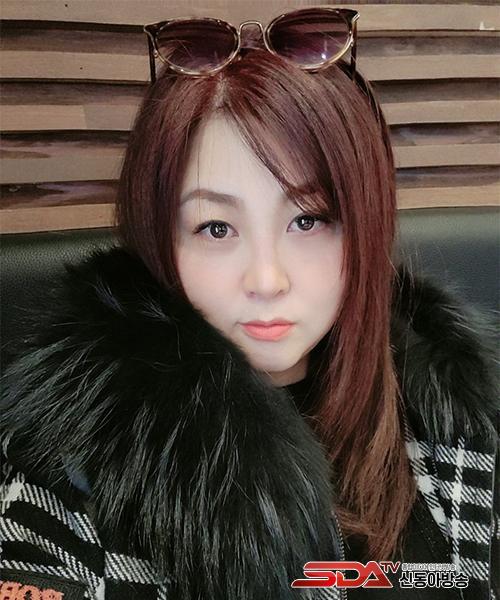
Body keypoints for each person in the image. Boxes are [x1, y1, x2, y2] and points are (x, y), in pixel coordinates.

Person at [1, 8, 498, 600]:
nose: (266, 279)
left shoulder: (449, 406)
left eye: (308, 220)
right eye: (216, 228)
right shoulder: (67, 465)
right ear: (159, 240)